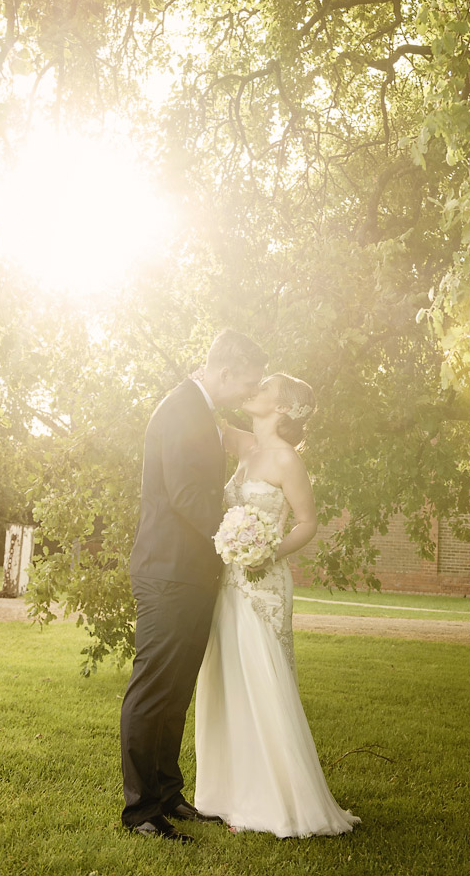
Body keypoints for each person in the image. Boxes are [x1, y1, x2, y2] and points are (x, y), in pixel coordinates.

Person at [194, 373, 360, 838]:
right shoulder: (244, 444)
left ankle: (277, 799)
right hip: (229, 580)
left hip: (264, 583)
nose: (253, 390)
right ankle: (225, 794)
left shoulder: (288, 460)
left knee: (262, 677)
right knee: (225, 677)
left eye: (263, 387)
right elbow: (203, 415)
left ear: (283, 407)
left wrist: (267, 551)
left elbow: (307, 523)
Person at [120, 329, 268, 841]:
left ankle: (167, 791)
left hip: (191, 572)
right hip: (167, 572)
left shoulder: (202, 410)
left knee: (177, 690)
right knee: (153, 689)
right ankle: (141, 812)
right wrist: (237, 534)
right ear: (224, 373)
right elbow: (185, 493)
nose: (248, 395)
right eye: (246, 385)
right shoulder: (182, 408)